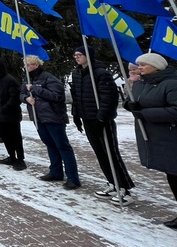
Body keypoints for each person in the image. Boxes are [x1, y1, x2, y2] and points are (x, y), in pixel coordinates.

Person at [71, 45, 135, 203]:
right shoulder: (77, 73)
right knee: (100, 153)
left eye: (80, 54)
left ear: (88, 55)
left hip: (101, 120)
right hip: (87, 119)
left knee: (111, 153)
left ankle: (124, 188)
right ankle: (113, 183)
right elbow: (76, 96)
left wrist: (101, 118)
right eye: (75, 55)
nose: (77, 57)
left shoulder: (100, 73)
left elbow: (109, 98)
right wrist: (76, 115)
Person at [123, 52, 177, 229]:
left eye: (143, 65)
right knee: (172, 175)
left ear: (156, 66)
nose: (139, 68)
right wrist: (129, 105)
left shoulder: (171, 84)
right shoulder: (141, 83)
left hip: (171, 137)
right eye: (138, 65)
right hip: (155, 138)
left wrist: (145, 113)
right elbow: (134, 100)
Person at [21, 55, 79, 186]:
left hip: (53, 117)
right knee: (50, 144)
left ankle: (73, 177)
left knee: (63, 146)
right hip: (38, 117)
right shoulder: (27, 79)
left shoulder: (49, 78)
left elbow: (57, 96)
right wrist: (26, 98)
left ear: (36, 65)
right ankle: (56, 171)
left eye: (28, 65)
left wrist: (35, 89)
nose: (25, 68)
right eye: (24, 65)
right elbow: (22, 93)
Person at [0, 58, 24, 169]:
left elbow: (15, 97)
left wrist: (4, 107)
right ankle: (11, 156)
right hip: (1, 114)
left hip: (11, 114)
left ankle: (20, 160)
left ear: (0, 67)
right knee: (5, 136)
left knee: (15, 137)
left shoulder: (10, 80)